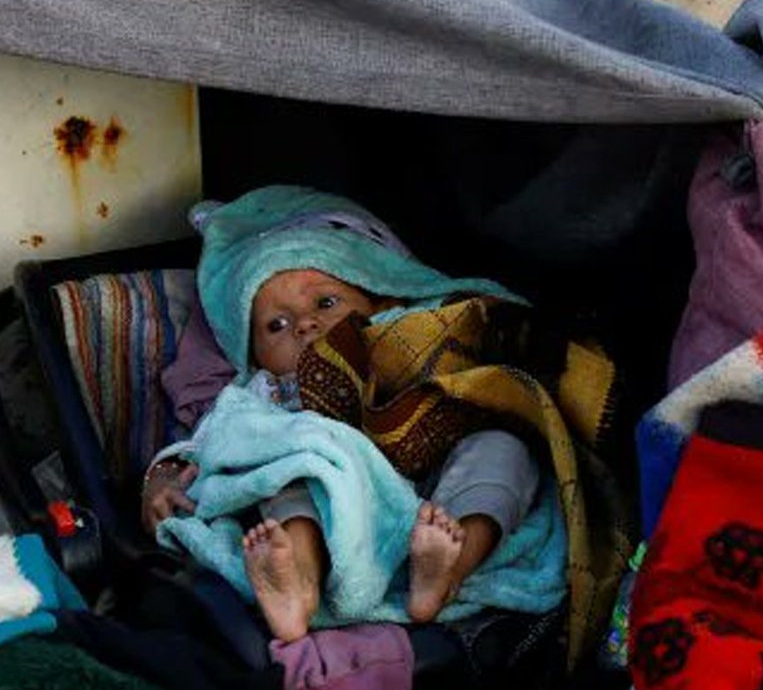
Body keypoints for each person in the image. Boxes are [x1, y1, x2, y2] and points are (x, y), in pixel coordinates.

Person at [141, 186, 541, 642]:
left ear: (380, 300)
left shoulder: (407, 342)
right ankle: (298, 580)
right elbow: (215, 442)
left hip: (434, 496)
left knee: (504, 448)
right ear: (252, 356)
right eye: (276, 325)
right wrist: (162, 475)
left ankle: (447, 569)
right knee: (283, 467)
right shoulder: (261, 392)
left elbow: (477, 374)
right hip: (332, 497)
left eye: (325, 303)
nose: (304, 324)